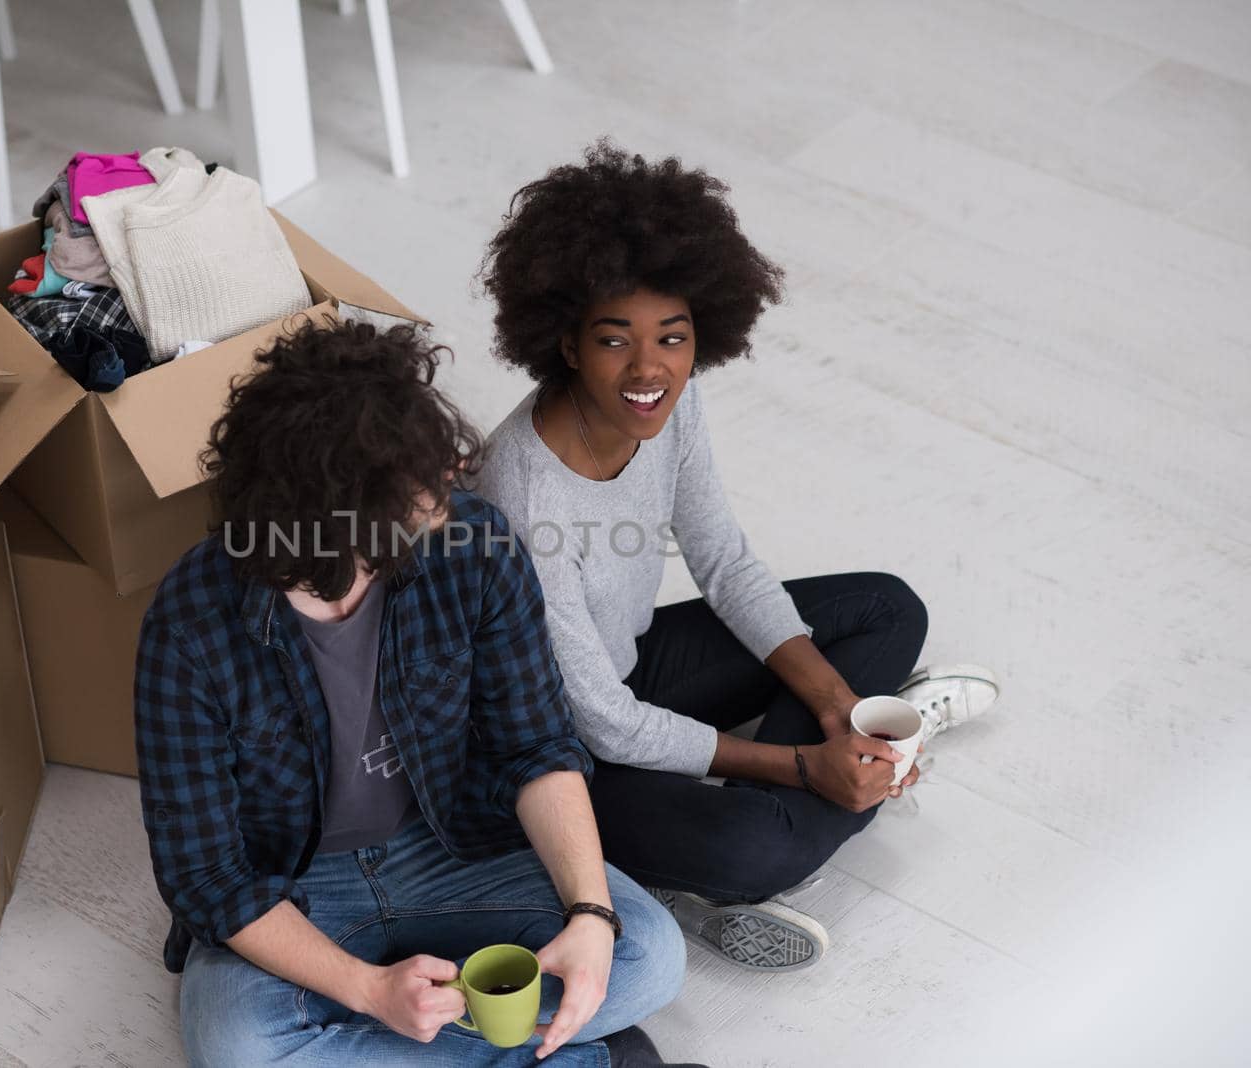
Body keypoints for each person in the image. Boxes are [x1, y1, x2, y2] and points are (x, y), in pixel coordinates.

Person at [473, 141, 999, 973]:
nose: (650, 370)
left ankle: (860, 749)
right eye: (616, 342)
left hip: (630, 666)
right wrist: (801, 764)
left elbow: (722, 560)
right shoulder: (520, 497)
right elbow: (600, 722)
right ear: (567, 344)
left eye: (672, 339)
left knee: (887, 607)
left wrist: (834, 712)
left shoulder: (666, 402)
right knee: (761, 849)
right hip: (553, 751)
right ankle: (814, 801)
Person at [135, 318, 700, 1066]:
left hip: (455, 845)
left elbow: (535, 746)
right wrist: (369, 991)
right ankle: (576, 1054)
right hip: (297, 892)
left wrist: (592, 916)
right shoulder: (190, 624)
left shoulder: (476, 549)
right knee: (238, 1048)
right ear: (341, 514)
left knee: (648, 956)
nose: (451, 474)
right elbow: (205, 877)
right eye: (416, 476)